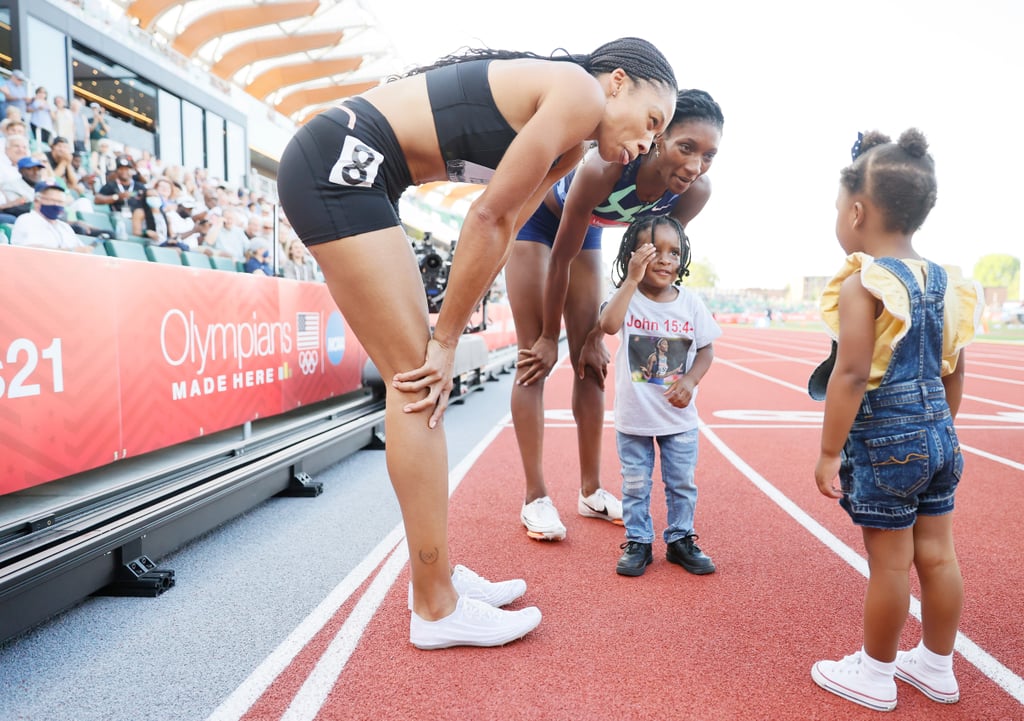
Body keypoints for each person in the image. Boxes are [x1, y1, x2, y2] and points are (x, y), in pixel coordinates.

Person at [276, 37, 677, 649]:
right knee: (418, 383)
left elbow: (511, 225)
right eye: (653, 122)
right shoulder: (578, 92)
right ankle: (435, 607)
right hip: (339, 162)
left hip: (362, 172)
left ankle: (437, 579)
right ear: (617, 82)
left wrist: (453, 325)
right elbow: (487, 217)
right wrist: (443, 339)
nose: (648, 143)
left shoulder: (572, 143)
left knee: (419, 382)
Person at [809, 129, 983, 712]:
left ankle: (877, 674)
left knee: (889, 563)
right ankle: (937, 666)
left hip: (888, 440)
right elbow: (954, 366)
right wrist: (941, 429)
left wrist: (831, 450)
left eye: (838, 208)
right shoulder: (948, 283)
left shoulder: (866, 282)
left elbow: (852, 374)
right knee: (938, 555)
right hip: (939, 434)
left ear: (857, 211)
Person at [509, 89, 724, 540]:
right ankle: (536, 497)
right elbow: (561, 260)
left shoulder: (695, 191)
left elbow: (658, 259)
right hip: (539, 220)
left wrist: (595, 337)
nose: (695, 166)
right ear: (659, 135)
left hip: (588, 232)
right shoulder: (606, 167)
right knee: (534, 359)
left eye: (708, 155)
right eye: (687, 148)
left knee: (591, 367)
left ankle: (591, 491)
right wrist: (551, 335)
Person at [596, 216, 719, 577]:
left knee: (681, 482)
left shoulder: (690, 303)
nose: (666, 259)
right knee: (635, 484)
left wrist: (691, 380)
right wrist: (631, 279)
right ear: (634, 254)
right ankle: (639, 541)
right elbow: (608, 325)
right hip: (634, 418)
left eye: (674, 252)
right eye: (655, 251)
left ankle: (680, 540)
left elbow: (707, 349)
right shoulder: (626, 298)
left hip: (678, 419)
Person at [10, 179, 93, 252]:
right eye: (52, 200)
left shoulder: (64, 226)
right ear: (36, 201)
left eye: (60, 202)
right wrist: (71, 251)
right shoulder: (27, 220)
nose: (56, 205)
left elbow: (81, 250)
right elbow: (33, 251)